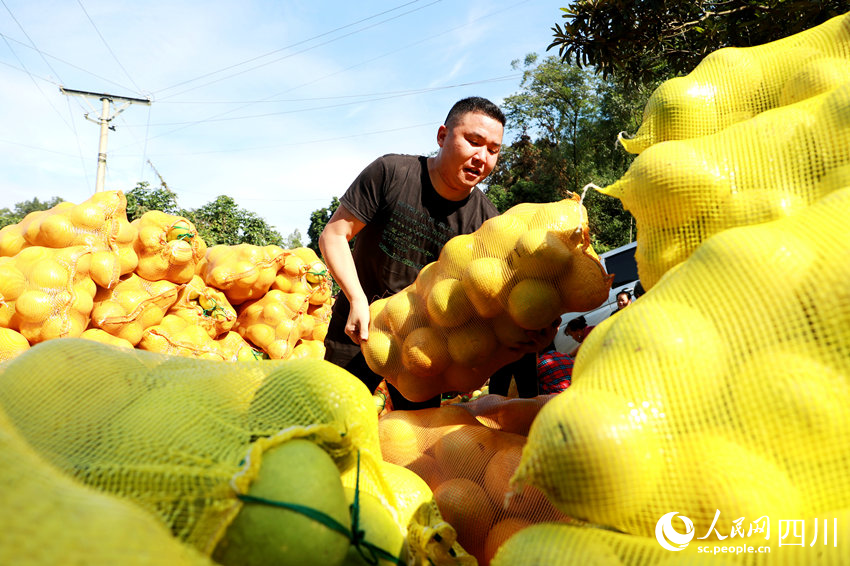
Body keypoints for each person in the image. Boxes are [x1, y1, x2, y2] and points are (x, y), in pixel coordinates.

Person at [321, 97, 549, 410]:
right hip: (356, 327)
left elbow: (485, 301)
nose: (481, 157)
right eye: (473, 141)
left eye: (493, 150)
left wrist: (518, 338)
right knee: (332, 421)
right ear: (442, 136)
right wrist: (357, 298)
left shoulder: (488, 224)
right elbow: (334, 235)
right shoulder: (392, 172)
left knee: (414, 444)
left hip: (425, 348)